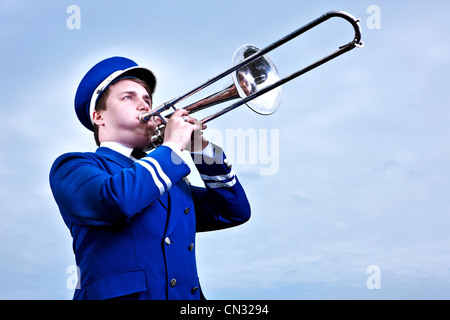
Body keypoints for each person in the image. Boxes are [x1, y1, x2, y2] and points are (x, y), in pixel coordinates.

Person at [49, 56, 251, 300]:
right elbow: (118, 200)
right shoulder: (74, 166)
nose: (146, 106)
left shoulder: (170, 180)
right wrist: (173, 145)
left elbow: (233, 211)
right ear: (98, 117)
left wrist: (201, 149)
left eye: (147, 99)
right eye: (128, 97)